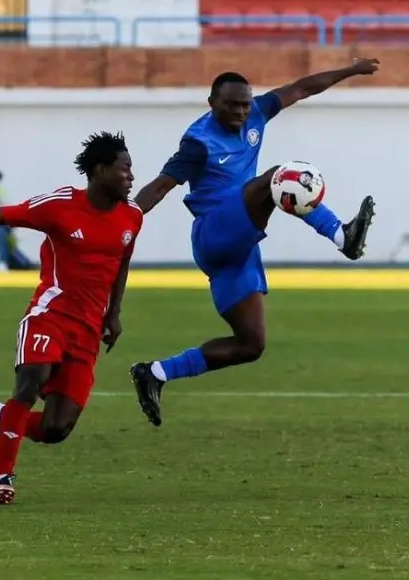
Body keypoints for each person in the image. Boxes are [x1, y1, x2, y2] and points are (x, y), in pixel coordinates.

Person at [129, 61, 380, 427]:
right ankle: (342, 235)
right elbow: (161, 185)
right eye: (232, 105)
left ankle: (155, 373)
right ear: (212, 102)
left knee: (250, 345)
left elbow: (301, 87)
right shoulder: (197, 143)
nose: (241, 112)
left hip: (240, 247)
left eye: (245, 105)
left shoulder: (257, 114)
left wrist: (351, 70)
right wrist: (122, 220)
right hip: (214, 232)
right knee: (276, 179)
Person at [0, 132, 142, 504]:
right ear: (100, 171)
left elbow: (122, 260)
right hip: (49, 316)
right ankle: (2, 480)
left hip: (87, 331)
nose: (132, 177)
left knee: (57, 428)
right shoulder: (60, 205)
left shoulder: (132, 217)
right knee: (31, 382)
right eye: (125, 169)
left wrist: (113, 314)